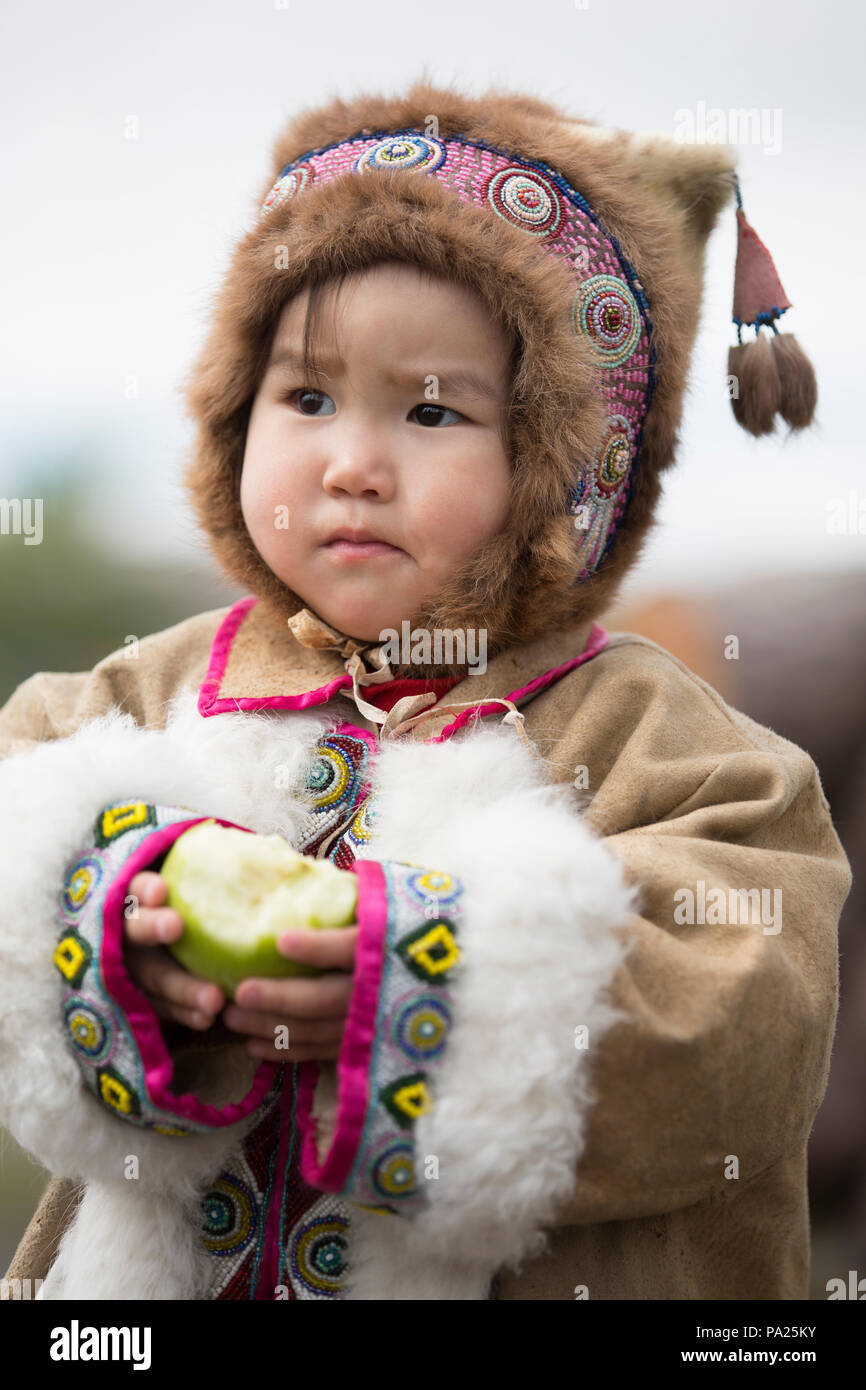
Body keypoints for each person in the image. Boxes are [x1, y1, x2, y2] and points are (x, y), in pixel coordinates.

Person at [0, 76, 850, 1302]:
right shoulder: (154, 687)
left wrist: (412, 983)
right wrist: (117, 931)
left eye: (432, 408)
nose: (349, 463)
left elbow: (744, 1027)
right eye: (304, 397)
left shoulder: (668, 746)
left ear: (565, 472)